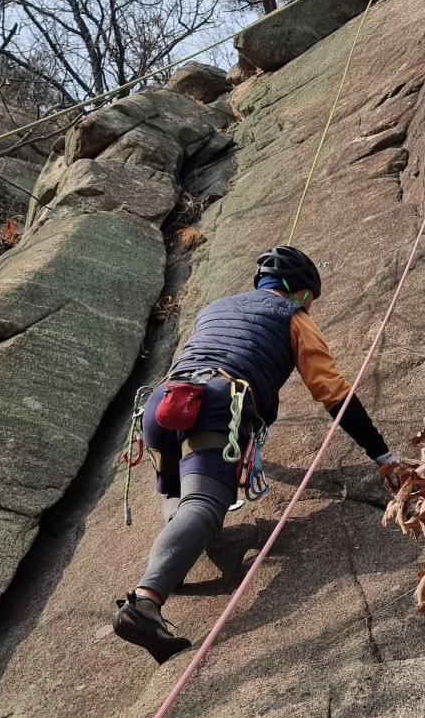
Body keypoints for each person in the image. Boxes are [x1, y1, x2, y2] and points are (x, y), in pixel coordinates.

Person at [113, 245, 398, 663]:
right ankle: (145, 601)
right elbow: (334, 394)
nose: (310, 308)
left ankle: (175, 560)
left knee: (184, 500)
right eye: (311, 301)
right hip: (215, 404)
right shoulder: (294, 317)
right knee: (206, 506)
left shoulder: (213, 309)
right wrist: (383, 455)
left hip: (163, 404)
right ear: (300, 293)